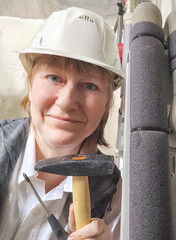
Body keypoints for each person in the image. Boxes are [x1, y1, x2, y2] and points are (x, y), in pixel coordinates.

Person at [0, 7, 124, 240]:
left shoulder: (114, 193)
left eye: (89, 86)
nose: (67, 103)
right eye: (54, 78)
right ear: (31, 83)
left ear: (107, 102)